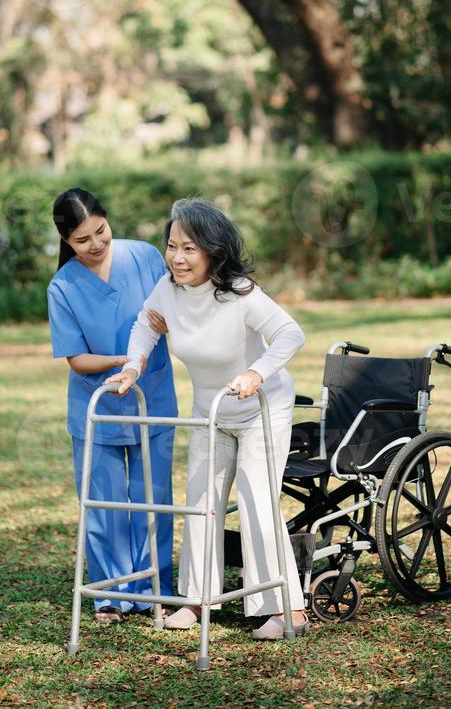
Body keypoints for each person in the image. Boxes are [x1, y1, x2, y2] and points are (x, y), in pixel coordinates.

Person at [107, 197, 309, 640]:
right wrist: (133, 365)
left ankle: (287, 609)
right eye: (172, 246)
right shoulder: (168, 290)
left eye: (189, 249)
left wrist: (256, 372)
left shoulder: (240, 294)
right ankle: (197, 601)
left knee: (258, 500)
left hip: (261, 408)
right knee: (200, 501)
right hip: (209, 411)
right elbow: (146, 323)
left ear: (213, 252)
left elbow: (290, 333)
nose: (177, 258)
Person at [47, 187, 177, 625]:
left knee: (153, 498)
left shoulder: (144, 256)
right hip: (96, 406)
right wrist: (125, 360)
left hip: (152, 398)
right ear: (66, 241)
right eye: (82, 240)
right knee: (103, 504)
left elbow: (183, 303)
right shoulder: (62, 286)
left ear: (107, 220)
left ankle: (155, 589)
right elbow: (76, 358)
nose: (96, 244)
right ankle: (109, 595)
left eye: (100, 231)